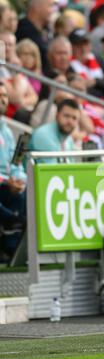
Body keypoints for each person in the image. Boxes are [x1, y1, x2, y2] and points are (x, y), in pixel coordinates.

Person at [0, 82, 26, 263]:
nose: (2, 100)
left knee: (25, 195)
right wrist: (5, 181)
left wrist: (19, 180)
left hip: (9, 186)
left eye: (4, 96)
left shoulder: (7, 131)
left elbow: (16, 163)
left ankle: (12, 251)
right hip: (2, 185)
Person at [29, 99, 81, 164]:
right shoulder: (44, 134)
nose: (70, 121)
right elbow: (51, 170)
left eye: (74, 118)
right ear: (57, 115)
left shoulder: (69, 139)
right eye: (66, 116)